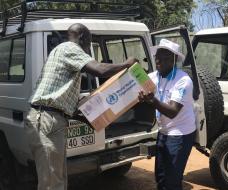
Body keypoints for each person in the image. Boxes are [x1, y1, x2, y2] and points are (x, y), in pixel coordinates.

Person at [25, 23, 137, 190]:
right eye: (89, 43)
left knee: (58, 180)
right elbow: (100, 69)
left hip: (49, 120)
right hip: (48, 121)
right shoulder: (70, 48)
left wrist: (89, 118)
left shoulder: (60, 51)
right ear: (83, 38)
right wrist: (126, 64)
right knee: (52, 184)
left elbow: (61, 99)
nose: (88, 48)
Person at [138, 39, 196, 190]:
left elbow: (172, 111)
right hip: (163, 131)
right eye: (158, 57)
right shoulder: (154, 77)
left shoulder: (183, 80)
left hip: (180, 133)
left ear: (174, 60)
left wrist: (152, 101)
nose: (159, 61)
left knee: (172, 181)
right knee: (161, 176)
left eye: (165, 58)